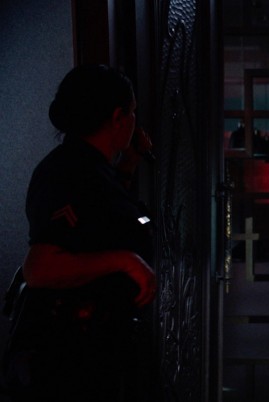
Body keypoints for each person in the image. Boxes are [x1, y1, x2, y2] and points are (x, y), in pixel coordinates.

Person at [1, 64, 158, 401]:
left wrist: (128, 165)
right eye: (132, 112)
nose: (136, 122)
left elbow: (102, 221)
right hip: (67, 360)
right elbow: (41, 267)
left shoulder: (97, 170)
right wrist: (126, 261)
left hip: (95, 350)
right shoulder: (68, 171)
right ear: (118, 117)